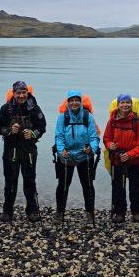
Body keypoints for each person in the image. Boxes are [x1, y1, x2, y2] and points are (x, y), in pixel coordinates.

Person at [0, 81, 46, 222]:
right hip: (11, 151)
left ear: (27, 92)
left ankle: (32, 211)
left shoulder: (35, 108)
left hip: (29, 151)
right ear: (14, 93)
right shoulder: (6, 109)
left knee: (30, 181)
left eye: (24, 92)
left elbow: (42, 127)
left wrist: (33, 134)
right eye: (18, 93)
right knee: (10, 182)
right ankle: (7, 211)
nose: (21, 95)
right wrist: (9, 130)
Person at [54, 90, 100, 224]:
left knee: (88, 186)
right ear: (67, 102)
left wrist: (92, 148)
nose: (74, 103)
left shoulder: (88, 116)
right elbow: (59, 136)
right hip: (66, 157)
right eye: (71, 100)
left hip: (84, 156)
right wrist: (61, 150)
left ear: (81, 102)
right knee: (63, 185)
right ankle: (60, 212)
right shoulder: (62, 117)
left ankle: (90, 213)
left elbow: (94, 137)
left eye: (77, 100)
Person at [103, 94, 139, 223]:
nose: (125, 105)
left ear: (131, 105)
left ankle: (136, 212)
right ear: (118, 105)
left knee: (135, 187)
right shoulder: (112, 121)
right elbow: (106, 138)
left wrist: (130, 154)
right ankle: (120, 212)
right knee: (118, 187)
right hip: (117, 159)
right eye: (122, 102)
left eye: (128, 102)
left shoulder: (137, 122)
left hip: (135, 160)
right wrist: (109, 145)